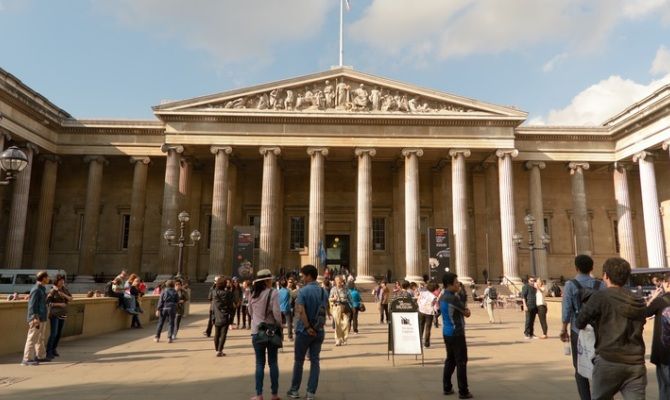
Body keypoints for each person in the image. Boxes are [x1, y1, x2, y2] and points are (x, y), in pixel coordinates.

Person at [575, 257, 647, 400]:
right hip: (635, 363)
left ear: (606, 276)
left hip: (608, 360)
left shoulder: (601, 297)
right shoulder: (638, 300)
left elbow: (580, 322)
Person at [560, 254, 605, 400]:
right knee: (601, 365)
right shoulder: (601, 285)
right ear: (592, 268)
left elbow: (566, 310)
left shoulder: (570, 285)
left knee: (579, 367)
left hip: (578, 330)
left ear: (576, 268)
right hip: (599, 330)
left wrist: (563, 329)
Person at [287, 264, 330, 400]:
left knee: (299, 361)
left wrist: (307, 327)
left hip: (304, 331)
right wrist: (316, 328)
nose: (302, 278)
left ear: (309, 276)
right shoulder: (324, 291)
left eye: (303, 275)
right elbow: (324, 310)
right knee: (315, 361)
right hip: (319, 330)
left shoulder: (303, 291)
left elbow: (301, 311)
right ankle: (311, 393)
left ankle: (294, 390)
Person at [249, 269, 282, 400]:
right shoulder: (273, 293)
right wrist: (279, 324)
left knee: (259, 364)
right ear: (267, 281)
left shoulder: (252, 293)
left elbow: (250, 312)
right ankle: (274, 394)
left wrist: (258, 319)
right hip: (271, 331)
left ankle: (259, 394)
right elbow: (277, 314)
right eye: (270, 279)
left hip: (257, 331)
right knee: (273, 363)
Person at [440, 272, 473, 399]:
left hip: (447, 332)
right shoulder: (453, 298)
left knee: (450, 360)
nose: (458, 284)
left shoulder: (443, 296)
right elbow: (466, 313)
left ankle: (447, 387)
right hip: (456, 333)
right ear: (449, 284)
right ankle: (463, 391)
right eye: (456, 282)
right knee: (461, 362)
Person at [645, 273, 670, 398]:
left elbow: (644, 312)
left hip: (664, 352)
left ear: (667, 283)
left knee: (665, 388)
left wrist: (653, 297)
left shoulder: (660, 301)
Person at [21, 271, 49, 365]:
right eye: (47, 277)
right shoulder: (36, 289)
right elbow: (32, 305)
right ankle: (27, 359)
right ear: (43, 278)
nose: (49, 279)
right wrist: (35, 318)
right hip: (37, 318)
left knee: (40, 338)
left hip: (43, 317)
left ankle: (41, 356)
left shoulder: (42, 289)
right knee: (32, 338)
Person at [46, 274, 71, 360]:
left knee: (59, 334)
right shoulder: (52, 290)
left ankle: (54, 349)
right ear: (56, 281)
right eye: (60, 281)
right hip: (54, 314)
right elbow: (48, 302)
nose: (62, 282)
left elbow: (71, 299)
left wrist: (63, 295)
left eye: (63, 281)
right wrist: (59, 304)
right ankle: (48, 351)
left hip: (63, 314)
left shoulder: (64, 289)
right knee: (54, 333)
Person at [329, 275, 352, 346]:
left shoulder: (346, 289)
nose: (340, 282)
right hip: (337, 307)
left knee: (346, 323)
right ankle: (338, 340)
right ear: (335, 282)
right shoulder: (333, 289)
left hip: (345, 307)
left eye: (341, 281)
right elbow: (329, 299)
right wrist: (334, 298)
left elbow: (350, 298)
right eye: (338, 281)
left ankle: (344, 338)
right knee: (337, 324)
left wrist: (352, 306)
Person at [418, 282, 438, 347]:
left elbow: (418, 300)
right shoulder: (434, 297)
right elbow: (433, 304)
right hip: (429, 312)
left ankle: (419, 341)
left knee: (421, 327)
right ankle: (426, 343)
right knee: (428, 328)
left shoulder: (422, 293)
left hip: (421, 310)